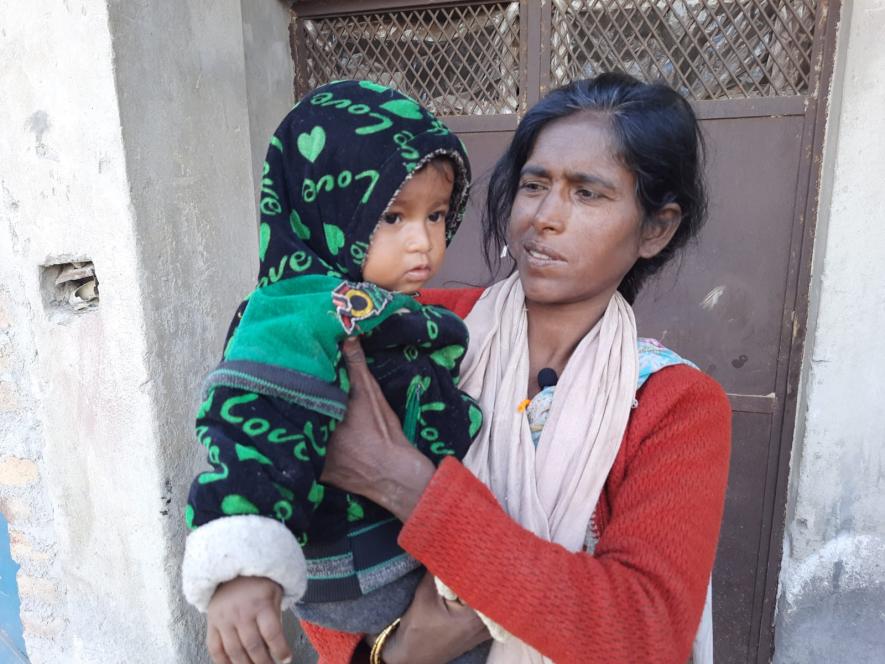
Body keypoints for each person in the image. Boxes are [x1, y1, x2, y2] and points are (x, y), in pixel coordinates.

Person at [306, 72, 732, 663]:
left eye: (587, 193)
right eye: (535, 185)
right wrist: (388, 652)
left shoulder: (673, 403)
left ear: (655, 229)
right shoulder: (418, 329)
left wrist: (409, 486)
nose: (543, 217)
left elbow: (645, 630)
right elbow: (319, 517)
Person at [180, 80, 489, 664]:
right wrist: (245, 566)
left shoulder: (380, 301)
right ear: (325, 209)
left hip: (405, 555)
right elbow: (256, 414)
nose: (423, 240)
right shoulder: (298, 306)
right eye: (392, 216)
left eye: (437, 215)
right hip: (366, 567)